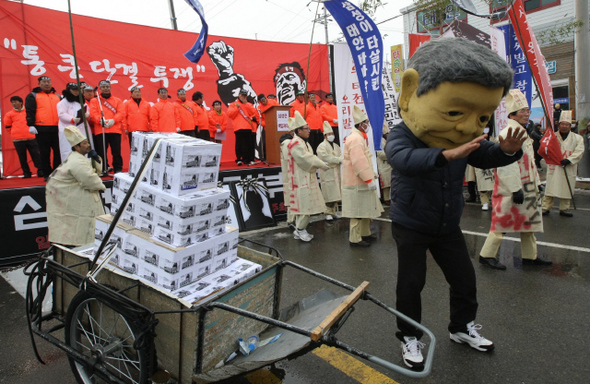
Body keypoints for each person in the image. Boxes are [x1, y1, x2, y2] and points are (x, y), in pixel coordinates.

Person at [385, 38, 526, 370]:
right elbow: (401, 158)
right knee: (410, 284)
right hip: (412, 223)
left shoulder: (463, 137)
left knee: (464, 279)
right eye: (454, 112)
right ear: (410, 94)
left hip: (447, 224)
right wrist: (446, 155)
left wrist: (505, 150)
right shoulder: (403, 133)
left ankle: (461, 328)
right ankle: (409, 336)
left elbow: (482, 153)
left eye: (481, 118)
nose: (467, 126)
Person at [479, 89, 549, 270]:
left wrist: (537, 183)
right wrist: (515, 188)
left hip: (528, 186)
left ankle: (530, 256)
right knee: (502, 222)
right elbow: (506, 165)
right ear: (512, 114)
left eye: (528, 111)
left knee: (529, 223)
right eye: (523, 111)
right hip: (512, 189)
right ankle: (486, 255)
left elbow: (530, 162)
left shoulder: (523, 131)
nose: (527, 114)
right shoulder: (508, 132)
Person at [46, 126, 106, 247]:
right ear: (76, 147)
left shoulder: (80, 158)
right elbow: (90, 180)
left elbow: (96, 172)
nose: (88, 145)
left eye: (88, 142)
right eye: (84, 143)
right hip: (78, 200)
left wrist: (96, 158)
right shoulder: (76, 161)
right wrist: (102, 186)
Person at [342, 106, 383, 247]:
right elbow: (358, 162)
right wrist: (369, 178)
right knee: (357, 213)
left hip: (361, 181)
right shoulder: (355, 139)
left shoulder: (359, 137)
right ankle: (355, 239)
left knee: (365, 210)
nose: (368, 126)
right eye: (367, 123)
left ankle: (365, 234)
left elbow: (363, 160)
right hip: (356, 182)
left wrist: (371, 174)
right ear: (361, 124)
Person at [286, 111, 329, 241]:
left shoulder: (304, 142)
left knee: (304, 207)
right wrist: (321, 164)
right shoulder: (295, 143)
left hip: (305, 178)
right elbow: (305, 158)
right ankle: (300, 230)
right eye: (306, 129)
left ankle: (300, 230)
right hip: (300, 179)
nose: (309, 131)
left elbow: (309, 157)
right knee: (304, 207)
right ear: (299, 130)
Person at [541, 110, 585, 217]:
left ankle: (564, 208)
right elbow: (545, 149)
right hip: (554, 166)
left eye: (567, 124)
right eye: (562, 124)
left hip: (569, 166)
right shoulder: (552, 137)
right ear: (558, 124)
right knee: (550, 187)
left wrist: (569, 160)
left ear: (570, 126)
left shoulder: (577, 138)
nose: (564, 126)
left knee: (567, 187)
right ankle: (545, 207)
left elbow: (579, 151)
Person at [25, 75, 61, 180]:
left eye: (48, 82)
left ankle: (57, 172)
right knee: (44, 153)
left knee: (58, 152)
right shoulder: (33, 95)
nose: (46, 84)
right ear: (39, 84)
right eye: (44, 82)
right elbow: (30, 111)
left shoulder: (57, 96)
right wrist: (31, 124)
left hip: (57, 128)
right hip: (42, 128)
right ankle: (46, 173)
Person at [3, 96, 42, 178]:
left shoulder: (28, 112)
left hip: (31, 137)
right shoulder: (9, 114)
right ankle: (26, 172)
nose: (14, 104)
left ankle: (40, 170)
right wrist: (15, 133)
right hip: (18, 139)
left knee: (36, 155)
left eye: (16, 102)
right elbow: (7, 126)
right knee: (22, 157)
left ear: (21, 102)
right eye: (13, 102)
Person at [57, 82, 90, 161]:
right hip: (68, 129)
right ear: (69, 90)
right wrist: (71, 119)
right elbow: (61, 115)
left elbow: (87, 110)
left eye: (77, 90)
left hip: (82, 128)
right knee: (68, 148)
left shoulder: (82, 102)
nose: (76, 92)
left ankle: (86, 165)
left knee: (84, 147)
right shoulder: (62, 102)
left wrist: (87, 114)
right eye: (73, 90)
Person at [316, 122, 342, 221]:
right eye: (329, 134)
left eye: (332, 134)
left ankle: (334, 212)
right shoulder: (321, 146)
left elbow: (341, 155)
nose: (331, 136)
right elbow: (326, 158)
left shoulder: (336, 145)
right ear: (325, 136)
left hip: (336, 171)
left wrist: (339, 159)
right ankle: (327, 212)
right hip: (327, 172)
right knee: (328, 193)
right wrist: (338, 160)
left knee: (336, 193)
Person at [227, 88, 258, 166]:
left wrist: (246, 104)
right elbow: (230, 114)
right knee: (239, 144)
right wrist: (237, 108)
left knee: (248, 144)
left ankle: (247, 159)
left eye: (245, 95)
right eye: (242, 95)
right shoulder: (233, 104)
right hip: (238, 127)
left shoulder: (249, 104)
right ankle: (239, 159)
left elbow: (253, 113)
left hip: (248, 127)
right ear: (239, 95)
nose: (243, 97)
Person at [280, 126, 295, 228]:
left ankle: (291, 220)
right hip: (291, 174)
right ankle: (291, 220)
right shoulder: (287, 144)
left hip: (290, 175)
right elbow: (291, 158)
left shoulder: (286, 143)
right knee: (292, 198)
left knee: (292, 198)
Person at [376, 124, 392, 206]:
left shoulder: (387, 140)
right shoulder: (379, 141)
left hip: (390, 163)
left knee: (391, 182)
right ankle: (386, 199)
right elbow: (380, 154)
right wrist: (391, 155)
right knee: (386, 184)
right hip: (384, 163)